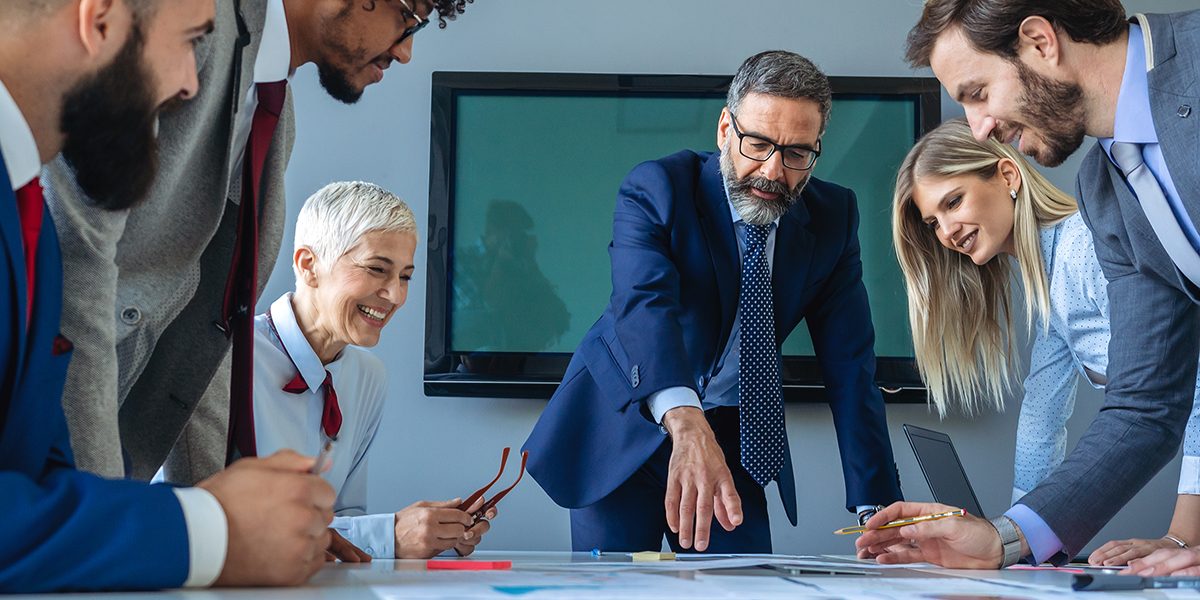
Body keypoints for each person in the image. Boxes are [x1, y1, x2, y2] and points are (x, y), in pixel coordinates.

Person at [45, 0, 479, 485]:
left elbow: (204, 326)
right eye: (408, 17)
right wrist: (91, 499)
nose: (406, 53)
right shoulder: (190, 29)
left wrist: (228, 524)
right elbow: (73, 264)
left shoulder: (275, 111)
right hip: (49, 444)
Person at [0, 0, 335, 592]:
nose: (190, 85)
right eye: (190, 42)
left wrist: (243, 519)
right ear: (98, 19)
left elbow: (39, 481)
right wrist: (210, 529)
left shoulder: (30, 221)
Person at [857, 1, 1200, 573]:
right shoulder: (1108, 191)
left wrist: (1186, 537)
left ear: (1041, 41)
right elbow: (1146, 405)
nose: (980, 127)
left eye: (977, 93)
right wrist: (1006, 539)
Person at [523, 50, 903, 554]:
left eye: (796, 154)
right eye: (758, 143)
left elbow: (850, 367)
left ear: (817, 149)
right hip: (623, 425)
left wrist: (879, 508)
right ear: (725, 129)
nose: (772, 171)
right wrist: (685, 420)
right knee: (610, 589)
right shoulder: (657, 188)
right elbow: (644, 305)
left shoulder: (833, 217)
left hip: (731, 439)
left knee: (744, 588)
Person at [253, 181, 495, 559]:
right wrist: (388, 536)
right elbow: (209, 523)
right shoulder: (231, 360)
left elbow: (343, 517)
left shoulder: (368, 377)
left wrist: (435, 534)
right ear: (309, 265)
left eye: (405, 276)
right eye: (377, 269)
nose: (396, 295)